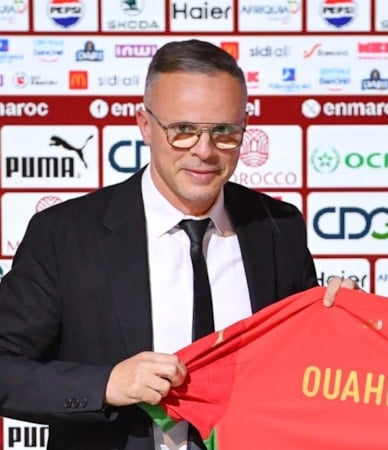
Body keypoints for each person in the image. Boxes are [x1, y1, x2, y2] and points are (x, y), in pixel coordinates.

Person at [0, 39, 353, 449]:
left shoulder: (278, 227)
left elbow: (306, 372)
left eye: (224, 132)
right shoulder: (65, 234)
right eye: (183, 131)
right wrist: (106, 384)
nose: (204, 151)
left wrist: (344, 326)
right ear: (145, 125)